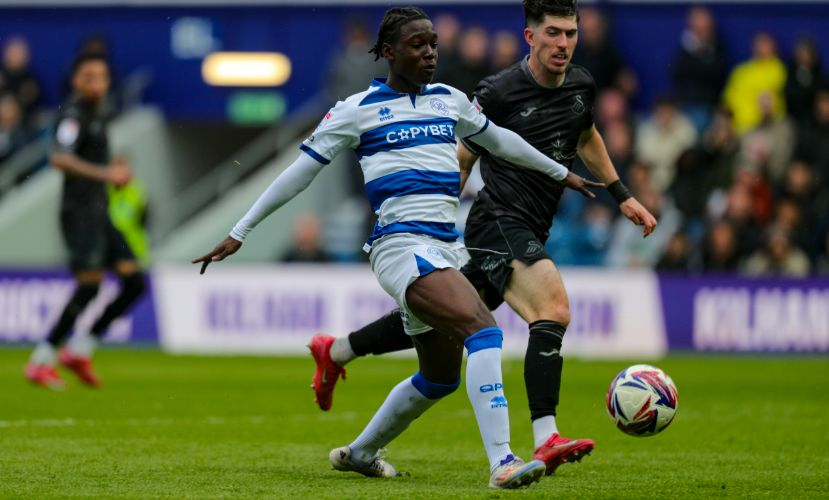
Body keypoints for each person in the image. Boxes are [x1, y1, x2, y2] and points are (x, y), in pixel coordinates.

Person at [192, 6, 601, 489]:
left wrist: (561, 172)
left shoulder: (450, 101)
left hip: (445, 248)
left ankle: (361, 452)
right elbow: (298, 174)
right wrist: (240, 230)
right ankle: (503, 462)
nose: (430, 54)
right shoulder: (356, 109)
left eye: (433, 44)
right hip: (401, 247)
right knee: (484, 331)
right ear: (389, 52)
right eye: (417, 45)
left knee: (441, 377)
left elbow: (502, 141)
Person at [308, 0, 657, 477]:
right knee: (551, 308)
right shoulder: (498, 90)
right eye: (553, 33)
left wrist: (622, 195)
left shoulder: (582, 83)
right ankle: (546, 436)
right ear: (530, 37)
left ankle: (339, 353)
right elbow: (464, 156)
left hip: (532, 224)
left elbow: (586, 135)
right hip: (498, 221)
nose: (564, 43)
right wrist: (429, 225)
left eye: (571, 33)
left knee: (441, 340)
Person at [24, 53, 145, 389]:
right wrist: (107, 173)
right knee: (90, 285)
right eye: (89, 77)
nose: (97, 83)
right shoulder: (73, 116)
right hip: (79, 213)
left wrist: (113, 170)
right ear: (77, 81)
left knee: (135, 283)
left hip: (99, 211)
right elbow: (60, 158)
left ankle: (80, 350)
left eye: (102, 77)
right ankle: (41, 360)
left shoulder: (98, 116)